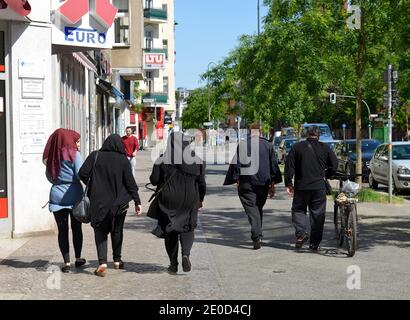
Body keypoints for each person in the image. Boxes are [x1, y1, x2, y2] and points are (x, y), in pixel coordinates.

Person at [79, 134, 142, 277]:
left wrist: (93, 185)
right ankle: (117, 261)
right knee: (117, 230)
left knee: (100, 230)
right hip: (119, 204)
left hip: (98, 201)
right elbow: (130, 183)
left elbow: (82, 173)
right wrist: (137, 202)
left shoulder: (95, 156)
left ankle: (102, 263)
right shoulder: (123, 160)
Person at [149, 132, 206, 275]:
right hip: (189, 199)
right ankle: (185, 254)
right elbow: (202, 183)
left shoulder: (162, 159)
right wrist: (201, 199)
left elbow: (154, 180)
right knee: (188, 228)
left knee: (170, 230)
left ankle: (173, 264)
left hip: (169, 199)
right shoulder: (197, 160)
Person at [224, 123, 282, 250]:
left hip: (247, 183)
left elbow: (236, 165)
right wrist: (273, 184)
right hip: (263, 183)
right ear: (260, 132)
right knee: (257, 207)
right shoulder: (268, 145)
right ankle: (259, 234)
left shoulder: (243, 145)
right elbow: (273, 167)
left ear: (250, 132)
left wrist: (236, 179)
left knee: (252, 209)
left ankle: (256, 235)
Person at [284, 125, 338, 251]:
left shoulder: (297, 147)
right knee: (318, 215)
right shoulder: (325, 148)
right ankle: (314, 243)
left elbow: (289, 166)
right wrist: (328, 174)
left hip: (301, 186)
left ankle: (301, 234)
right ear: (318, 136)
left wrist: (289, 183)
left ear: (306, 135)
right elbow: (334, 164)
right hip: (319, 187)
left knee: (298, 210)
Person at [43, 128, 86, 273]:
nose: (78, 144)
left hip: (57, 197)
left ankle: (66, 262)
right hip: (74, 195)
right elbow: (81, 174)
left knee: (62, 231)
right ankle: (78, 258)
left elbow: (49, 177)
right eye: (77, 141)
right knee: (76, 228)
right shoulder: (75, 154)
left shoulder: (52, 156)